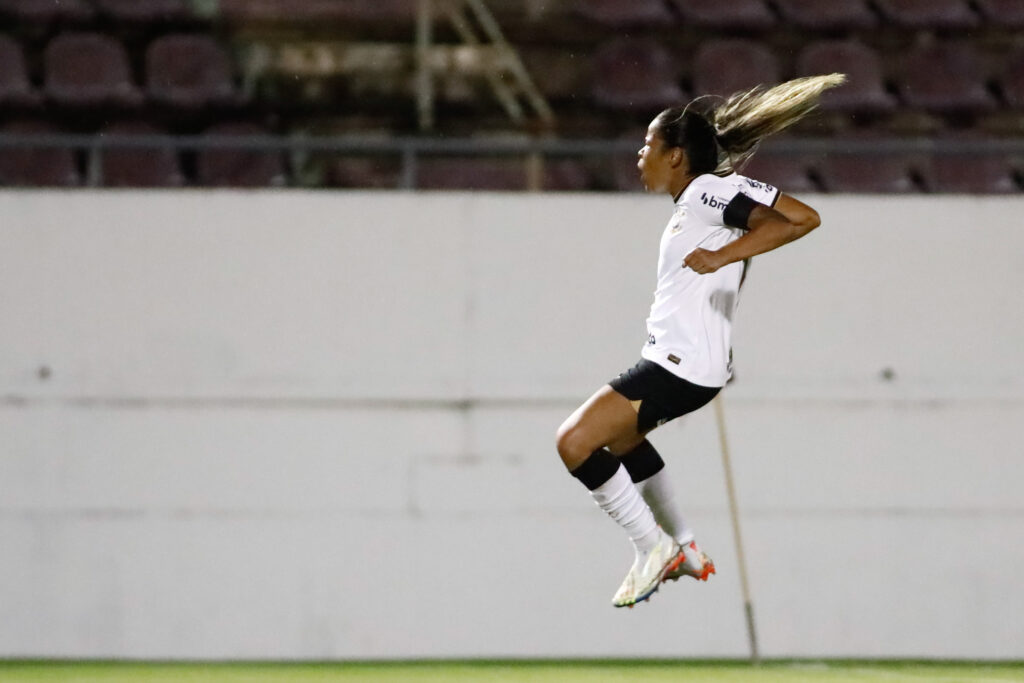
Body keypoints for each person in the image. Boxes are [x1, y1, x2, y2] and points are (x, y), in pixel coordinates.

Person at [556, 74, 845, 608]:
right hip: (691, 364)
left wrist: (720, 258)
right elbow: (803, 216)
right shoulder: (718, 188)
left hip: (679, 364)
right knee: (621, 441)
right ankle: (684, 546)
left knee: (573, 442)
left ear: (675, 157)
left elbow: (789, 225)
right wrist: (729, 252)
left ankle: (653, 548)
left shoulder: (708, 190)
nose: (639, 154)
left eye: (648, 145)